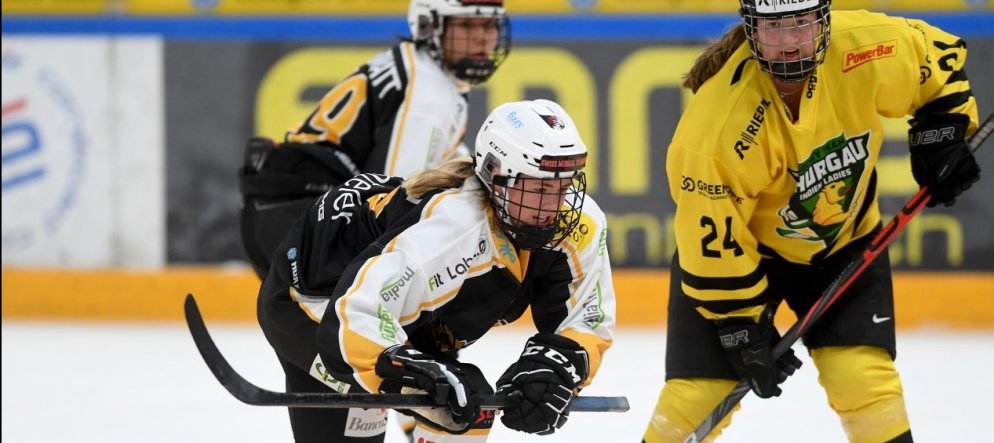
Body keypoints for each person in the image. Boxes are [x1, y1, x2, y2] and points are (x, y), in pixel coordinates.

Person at [643, 1, 981, 442]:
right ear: (751, 29)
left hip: (845, 242)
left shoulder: (865, 45)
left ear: (822, 19)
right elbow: (711, 238)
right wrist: (738, 326)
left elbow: (937, 61)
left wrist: (942, 131)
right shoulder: (715, 127)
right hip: (745, 258)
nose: (789, 43)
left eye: (801, 23)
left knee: (863, 379)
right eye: (774, 27)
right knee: (698, 397)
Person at [257, 99, 616, 442]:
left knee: (464, 405)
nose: (553, 206)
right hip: (315, 303)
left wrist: (555, 367)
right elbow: (356, 313)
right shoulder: (452, 230)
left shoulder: (578, 221)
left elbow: (587, 318)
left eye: (564, 185)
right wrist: (409, 372)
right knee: (434, 399)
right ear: (496, 175)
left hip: (404, 311)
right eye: (539, 188)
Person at [239, 0, 510, 279]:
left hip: (279, 216)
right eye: (466, 24)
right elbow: (399, 197)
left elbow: (450, 170)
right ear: (429, 26)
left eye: (489, 24)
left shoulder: (425, 72)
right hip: (299, 222)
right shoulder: (429, 97)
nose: (482, 37)